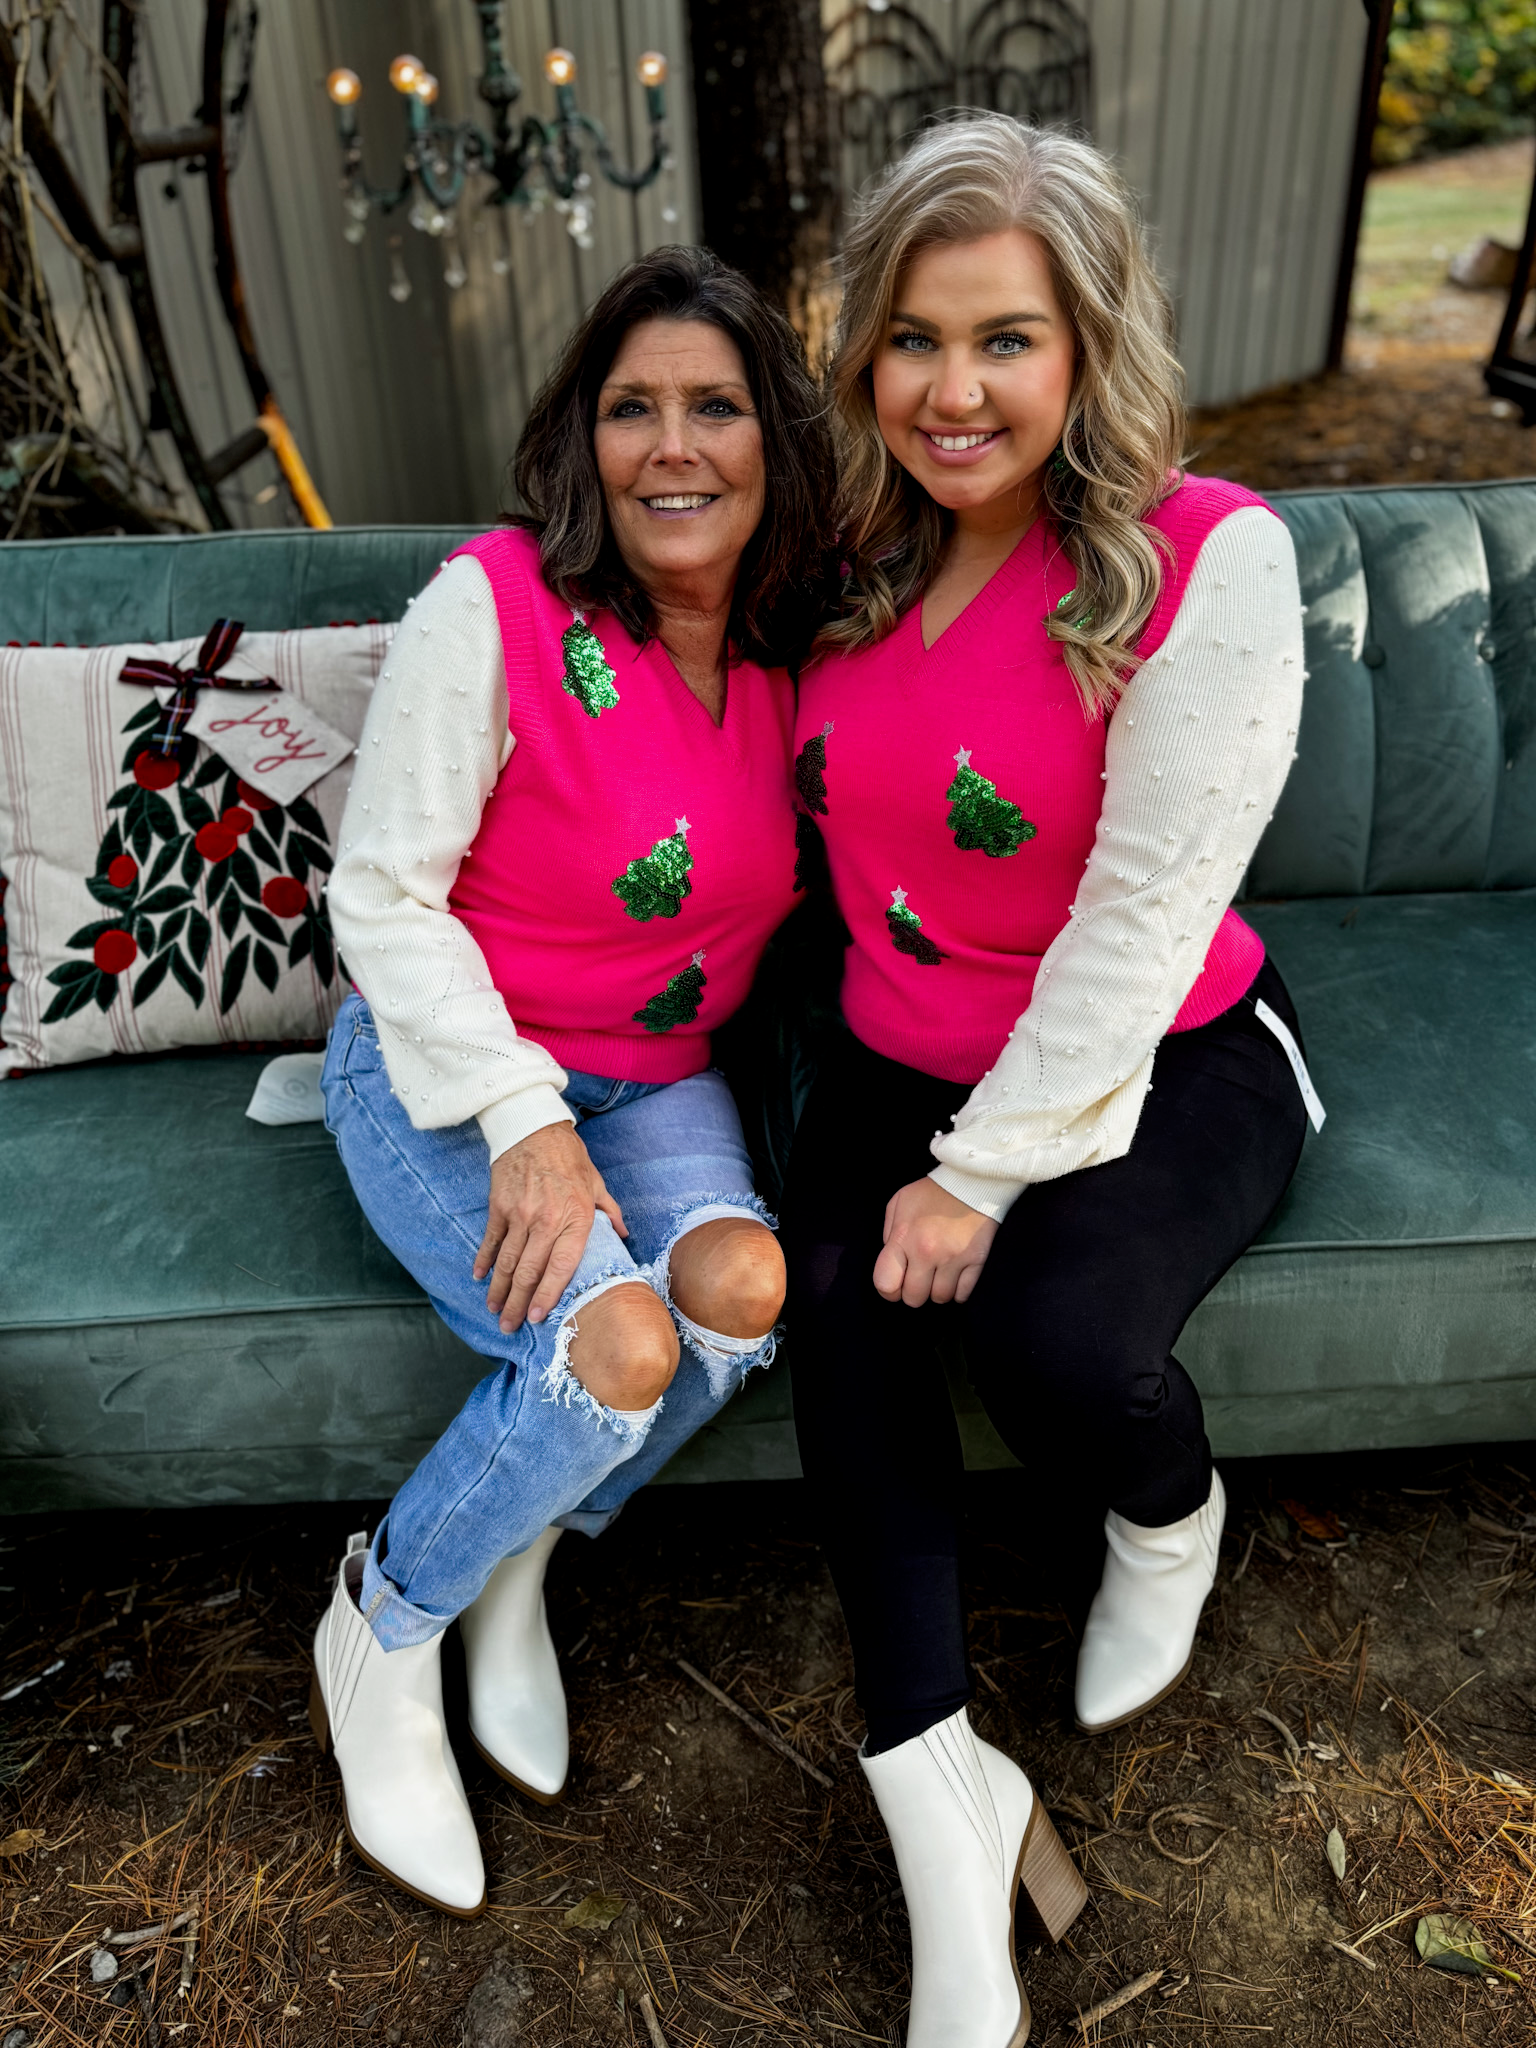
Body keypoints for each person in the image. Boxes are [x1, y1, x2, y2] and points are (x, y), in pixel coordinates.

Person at [781, 115, 1311, 2046]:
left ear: (1090, 347)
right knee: (835, 1327)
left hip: (1163, 1052)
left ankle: (1171, 1520)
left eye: (1005, 338)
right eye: (912, 341)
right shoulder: (840, 561)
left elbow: (1143, 920)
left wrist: (982, 1178)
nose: (953, 390)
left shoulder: (1205, 559)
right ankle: (947, 1824)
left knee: (1055, 1348)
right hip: (888, 1057)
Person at [315, 247, 834, 1916]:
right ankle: (386, 1623)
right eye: (632, 409)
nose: (671, 448)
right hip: (457, 1069)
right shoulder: (497, 605)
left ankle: (517, 1554)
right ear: (581, 439)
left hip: (658, 1069)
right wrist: (525, 1120)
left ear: (776, 440)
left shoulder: (795, 644)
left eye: (715, 407)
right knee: (611, 1346)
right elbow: (380, 891)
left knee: (743, 1289)